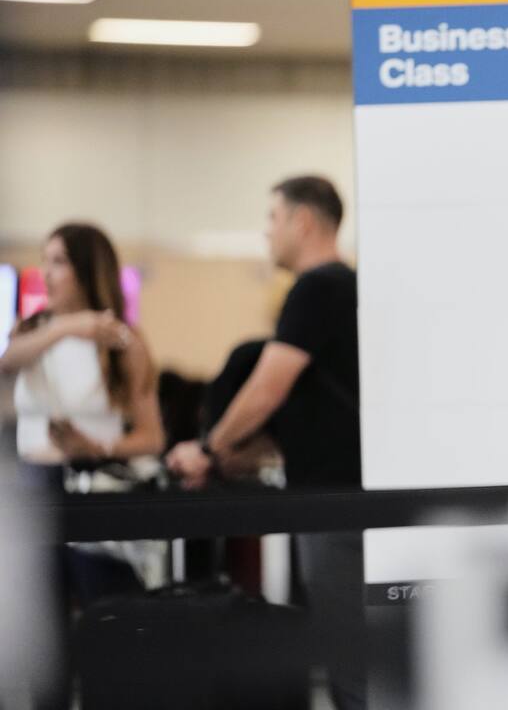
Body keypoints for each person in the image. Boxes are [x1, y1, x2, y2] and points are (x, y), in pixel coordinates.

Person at [165, 174, 363, 710]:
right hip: (341, 496)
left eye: (273, 218)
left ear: (304, 221)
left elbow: (267, 387)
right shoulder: (343, 288)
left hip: (334, 500)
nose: (266, 232)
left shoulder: (317, 287)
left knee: (349, 658)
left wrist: (207, 449)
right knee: (350, 654)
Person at [1, 223, 166, 600]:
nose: (46, 273)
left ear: (88, 269)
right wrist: (68, 326)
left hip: (94, 488)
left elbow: (152, 437)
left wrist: (94, 448)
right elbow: (7, 362)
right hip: (33, 487)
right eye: (44, 261)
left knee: (103, 605)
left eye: (58, 262)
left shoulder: (123, 341)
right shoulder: (31, 332)